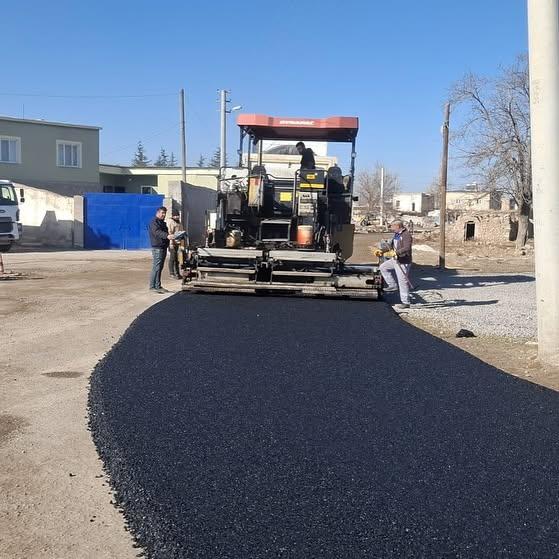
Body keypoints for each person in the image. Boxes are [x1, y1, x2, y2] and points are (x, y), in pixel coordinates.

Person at [374, 219, 413, 310]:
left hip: (403, 261)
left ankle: (405, 302)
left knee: (402, 282)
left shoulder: (406, 235)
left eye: (392, 226)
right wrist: (381, 251)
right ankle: (392, 285)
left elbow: (407, 248)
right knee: (383, 267)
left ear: (397, 226)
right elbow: (391, 247)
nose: (391, 228)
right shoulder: (397, 235)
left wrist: (397, 253)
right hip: (395, 259)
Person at [149, 206, 174, 293]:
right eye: (162, 213)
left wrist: (171, 236)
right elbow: (157, 232)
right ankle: (152, 286)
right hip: (157, 247)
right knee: (156, 267)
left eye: (165, 213)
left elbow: (166, 233)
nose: (163, 215)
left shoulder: (162, 223)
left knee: (160, 267)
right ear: (158, 213)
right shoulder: (154, 222)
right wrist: (167, 236)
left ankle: (158, 285)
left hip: (163, 247)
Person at [167, 211, 182, 279]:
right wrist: (171, 244)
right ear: (173, 216)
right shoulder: (170, 222)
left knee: (177, 259)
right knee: (172, 258)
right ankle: (171, 273)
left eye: (178, 215)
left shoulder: (178, 222)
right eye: (175, 215)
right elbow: (170, 233)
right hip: (172, 243)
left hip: (177, 243)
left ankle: (177, 273)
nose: (177, 216)